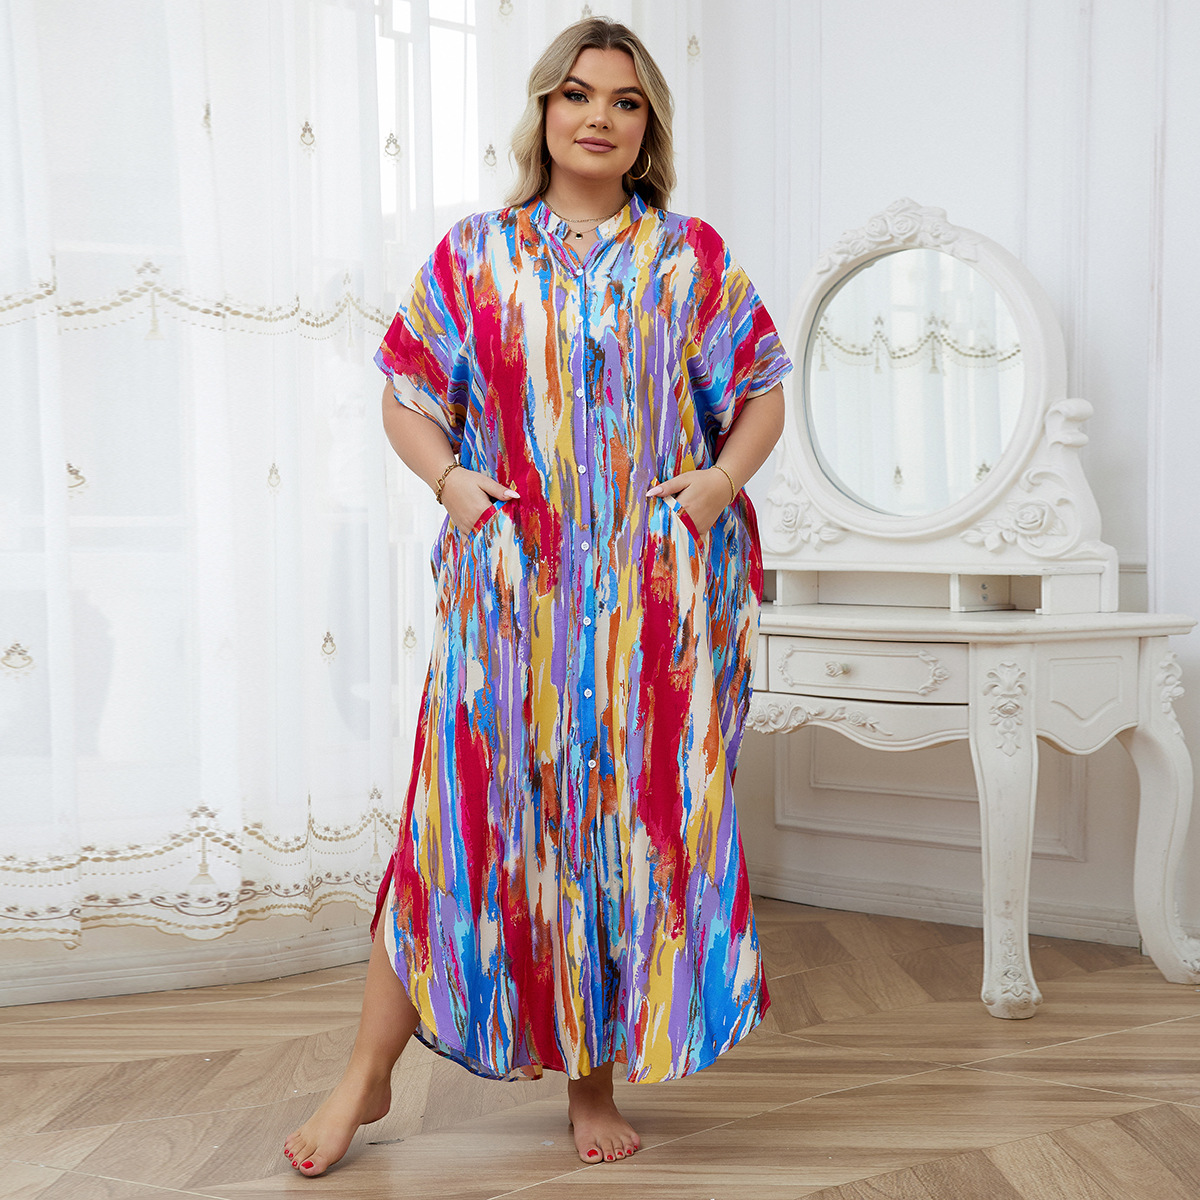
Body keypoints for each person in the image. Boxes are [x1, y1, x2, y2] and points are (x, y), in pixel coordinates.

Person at [284, 16, 790, 1177]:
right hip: (508, 601)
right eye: (577, 94)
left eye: (624, 100)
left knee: (608, 831)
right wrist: (452, 484)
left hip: (644, 614)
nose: (598, 116)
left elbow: (762, 390)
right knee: (454, 828)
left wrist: (717, 486)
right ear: (544, 112)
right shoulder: (475, 255)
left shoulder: (690, 260)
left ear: (648, 125)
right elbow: (406, 392)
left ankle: (591, 1085)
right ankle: (365, 1074)